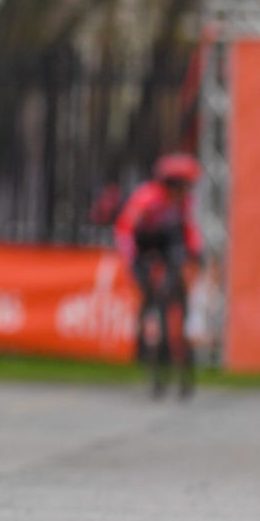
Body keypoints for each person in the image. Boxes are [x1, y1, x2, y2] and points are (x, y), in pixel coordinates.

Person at [113, 152, 204, 391]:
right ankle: (143, 332)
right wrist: (133, 259)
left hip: (167, 245)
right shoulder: (147, 198)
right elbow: (125, 229)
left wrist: (194, 252)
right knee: (149, 297)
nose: (185, 191)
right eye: (182, 185)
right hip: (143, 245)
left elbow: (189, 231)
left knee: (175, 293)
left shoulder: (183, 203)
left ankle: (180, 358)